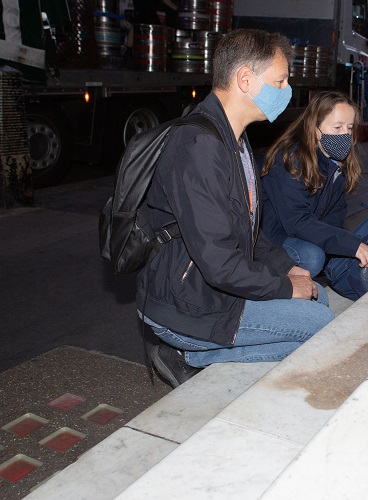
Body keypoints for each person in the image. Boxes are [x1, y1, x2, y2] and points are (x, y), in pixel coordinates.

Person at [138, 29, 334, 388]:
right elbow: (220, 264)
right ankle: (186, 355)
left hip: (209, 290)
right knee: (320, 328)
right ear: (246, 79)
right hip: (186, 307)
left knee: (317, 303)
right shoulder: (199, 146)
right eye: (280, 80)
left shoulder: (235, 139)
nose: (287, 90)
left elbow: (249, 233)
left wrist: (289, 268)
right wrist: (285, 287)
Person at [260, 91, 368, 278]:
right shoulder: (290, 159)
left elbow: (335, 214)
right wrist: (345, 245)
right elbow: (296, 221)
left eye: (349, 128)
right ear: (316, 130)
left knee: (348, 248)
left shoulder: (335, 163)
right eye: (337, 127)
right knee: (312, 257)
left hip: (303, 230)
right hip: (274, 236)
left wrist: (342, 244)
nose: (345, 135)